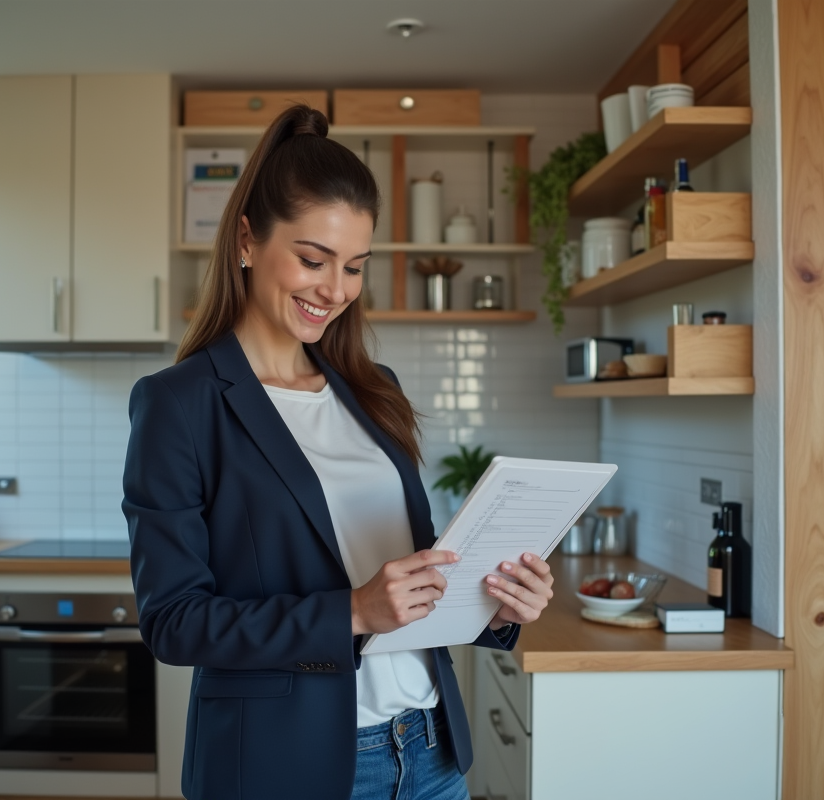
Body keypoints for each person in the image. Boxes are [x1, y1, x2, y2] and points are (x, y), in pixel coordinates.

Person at [123, 105, 555, 800]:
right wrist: (350, 613)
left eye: (355, 267)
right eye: (312, 259)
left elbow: (398, 582)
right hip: (289, 768)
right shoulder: (180, 403)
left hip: (430, 751)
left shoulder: (371, 388)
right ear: (246, 239)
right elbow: (174, 623)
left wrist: (492, 608)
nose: (335, 290)